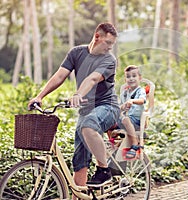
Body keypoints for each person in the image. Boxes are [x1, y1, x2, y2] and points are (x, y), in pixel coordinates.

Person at [28, 22, 120, 192]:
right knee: (80, 159)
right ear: (97, 37)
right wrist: (40, 96)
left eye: (112, 45)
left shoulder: (109, 60)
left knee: (88, 125)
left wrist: (78, 94)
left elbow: (92, 79)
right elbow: (60, 75)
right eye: (107, 43)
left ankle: (104, 170)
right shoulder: (76, 53)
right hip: (86, 110)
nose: (109, 48)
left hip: (108, 107)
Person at [117, 65, 147, 159]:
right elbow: (120, 107)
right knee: (111, 119)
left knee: (125, 119)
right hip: (125, 120)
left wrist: (132, 101)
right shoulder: (124, 93)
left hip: (136, 121)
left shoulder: (140, 91)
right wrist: (123, 106)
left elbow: (142, 100)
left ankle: (135, 144)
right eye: (128, 76)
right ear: (125, 79)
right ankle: (113, 141)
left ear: (140, 78)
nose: (131, 79)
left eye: (134, 76)